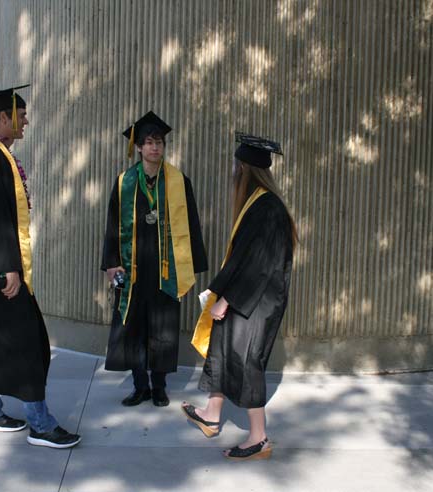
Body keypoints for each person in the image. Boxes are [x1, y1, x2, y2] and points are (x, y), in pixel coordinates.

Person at [0, 84, 81, 449]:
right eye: (22, 116)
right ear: (5, 117)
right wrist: (8, 267)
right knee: (28, 345)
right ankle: (41, 424)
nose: (27, 122)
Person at [181, 132, 297, 461]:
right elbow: (243, 257)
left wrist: (227, 299)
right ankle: (212, 413)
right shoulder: (258, 202)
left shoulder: (267, 208)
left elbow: (259, 264)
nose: (233, 171)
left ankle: (259, 437)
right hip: (249, 295)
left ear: (245, 169)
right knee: (221, 345)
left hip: (257, 301)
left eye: (236, 165)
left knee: (248, 362)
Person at [101, 111, 208, 407]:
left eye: (158, 142)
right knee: (133, 327)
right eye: (148, 142)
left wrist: (190, 264)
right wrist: (111, 262)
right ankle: (139, 386)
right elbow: (112, 225)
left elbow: (192, 224)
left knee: (163, 328)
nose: (154, 148)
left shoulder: (178, 181)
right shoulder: (124, 182)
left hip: (166, 269)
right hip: (132, 268)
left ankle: (159, 386)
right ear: (138, 147)